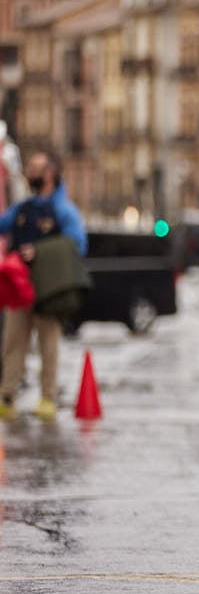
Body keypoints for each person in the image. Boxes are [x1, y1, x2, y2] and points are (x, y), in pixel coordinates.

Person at [0, 150, 87, 419]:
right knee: (13, 343)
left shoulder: (63, 210)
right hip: (20, 287)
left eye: (36, 168)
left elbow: (77, 244)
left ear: (50, 173)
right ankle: (7, 396)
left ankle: (47, 397)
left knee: (48, 344)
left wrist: (39, 252)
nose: (30, 173)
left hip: (49, 289)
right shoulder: (24, 208)